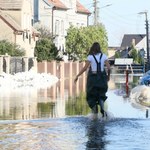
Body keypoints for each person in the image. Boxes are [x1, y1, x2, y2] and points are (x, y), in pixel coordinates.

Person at [74, 42, 110, 117]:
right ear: (99, 48)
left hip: (93, 79)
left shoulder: (90, 57)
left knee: (91, 96)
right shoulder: (104, 56)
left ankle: (95, 114)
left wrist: (77, 75)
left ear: (92, 48)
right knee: (101, 94)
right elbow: (109, 68)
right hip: (102, 78)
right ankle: (102, 108)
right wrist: (108, 76)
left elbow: (85, 68)